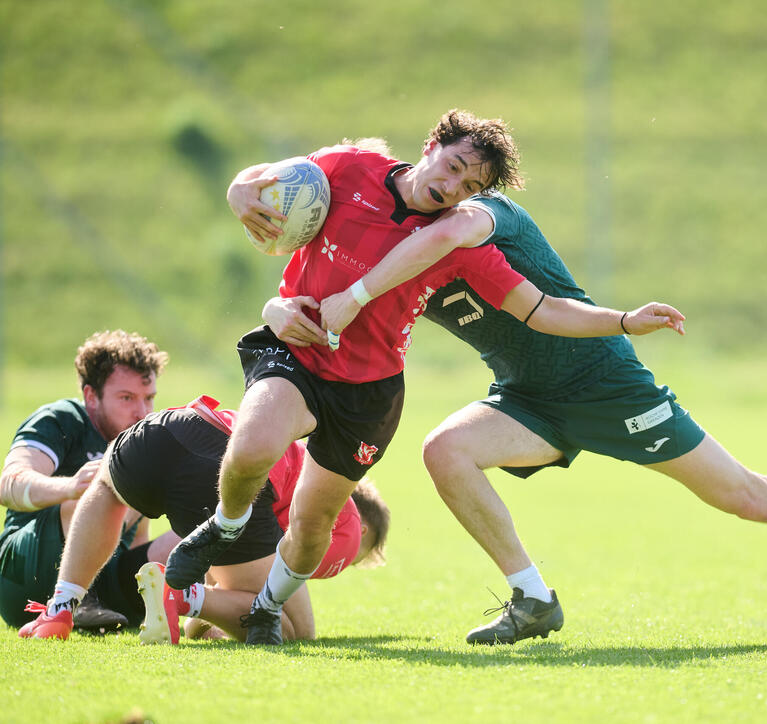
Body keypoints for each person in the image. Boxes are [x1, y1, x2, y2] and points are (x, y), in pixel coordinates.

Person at [264, 189, 767, 644]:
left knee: (743, 496)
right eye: (443, 165)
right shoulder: (391, 251)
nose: (450, 184)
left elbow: (485, 251)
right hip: (527, 397)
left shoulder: (480, 218)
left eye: (466, 172)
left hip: (603, 382)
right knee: (445, 450)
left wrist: (625, 320)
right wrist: (280, 307)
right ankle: (532, 599)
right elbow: (315, 292)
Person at [165, 109, 685, 645]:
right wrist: (239, 195)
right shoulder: (349, 167)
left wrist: (624, 321)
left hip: (368, 390)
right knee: (253, 448)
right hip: (298, 352)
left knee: (313, 522)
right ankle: (225, 524)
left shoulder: (457, 243)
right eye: (454, 165)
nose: (453, 186)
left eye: (471, 185)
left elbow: (544, 309)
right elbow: (257, 182)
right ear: (432, 145)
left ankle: (267, 609)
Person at [18, 395, 389, 642]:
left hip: (169, 425)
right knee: (293, 631)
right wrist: (194, 604)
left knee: (108, 488)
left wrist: (206, 618)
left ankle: (61, 607)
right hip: (222, 470)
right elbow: (275, 592)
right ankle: (177, 594)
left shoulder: (301, 462)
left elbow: (212, 610)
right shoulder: (348, 526)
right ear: (365, 530)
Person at [0, 330, 172, 632]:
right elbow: (9, 485)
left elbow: (138, 536)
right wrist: (72, 487)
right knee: (100, 490)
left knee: (202, 525)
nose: (142, 412)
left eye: (149, 398)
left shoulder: (139, 441)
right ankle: (77, 599)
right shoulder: (62, 420)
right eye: (127, 398)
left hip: (104, 581)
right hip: (21, 575)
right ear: (91, 395)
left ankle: (202, 609)